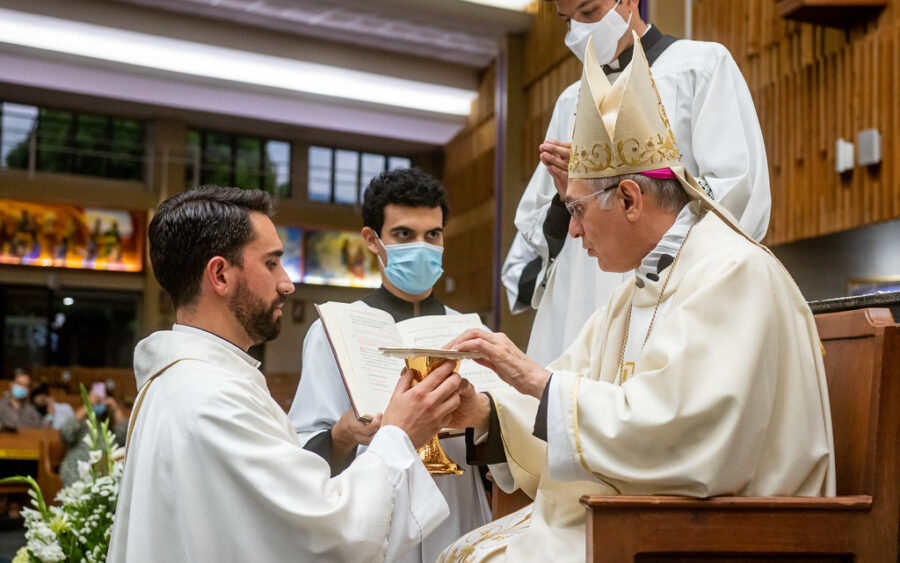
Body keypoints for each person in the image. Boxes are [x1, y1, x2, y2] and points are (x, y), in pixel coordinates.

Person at [438, 36, 834, 562]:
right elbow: (575, 389)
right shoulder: (640, 289)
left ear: (628, 198)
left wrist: (532, 378)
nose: (573, 234)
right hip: (657, 520)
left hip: (732, 536)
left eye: (576, 211)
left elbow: (689, 441)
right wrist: (485, 410)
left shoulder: (730, 273)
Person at [108, 186, 463, 562]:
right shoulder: (212, 399)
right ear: (220, 275)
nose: (287, 283)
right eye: (271, 263)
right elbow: (330, 532)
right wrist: (399, 433)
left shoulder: (184, 383)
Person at [502, 0, 771, 366]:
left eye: (588, 12)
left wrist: (641, 188)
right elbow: (531, 252)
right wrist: (568, 198)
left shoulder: (700, 67)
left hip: (669, 297)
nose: (578, 31)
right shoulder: (570, 102)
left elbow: (735, 192)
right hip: (579, 307)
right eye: (568, 20)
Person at [288, 168, 491, 562]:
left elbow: (496, 431)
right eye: (404, 235)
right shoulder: (335, 330)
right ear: (372, 240)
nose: (422, 246)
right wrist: (344, 434)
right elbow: (303, 448)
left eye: (433, 234)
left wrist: (482, 423)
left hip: (458, 510)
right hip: (379, 515)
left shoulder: (468, 332)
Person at [58, 388, 127, 486]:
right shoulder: (81, 421)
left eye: (101, 399)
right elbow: (65, 433)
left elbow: (126, 437)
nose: (98, 401)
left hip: (107, 471)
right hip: (78, 470)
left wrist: (115, 409)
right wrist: (88, 406)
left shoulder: (110, 424)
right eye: (95, 398)